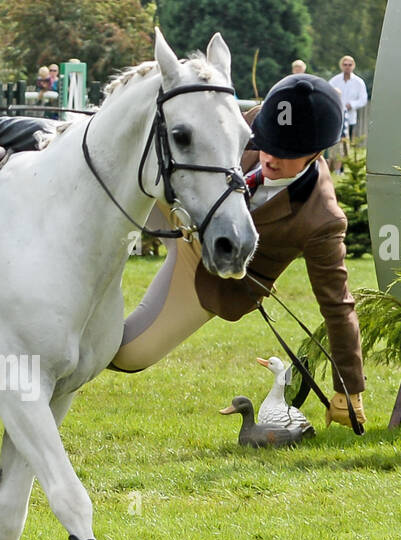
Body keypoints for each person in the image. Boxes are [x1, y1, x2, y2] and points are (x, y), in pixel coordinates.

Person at [113, 73, 367, 428]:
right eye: (266, 143)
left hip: (210, 274)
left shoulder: (322, 219)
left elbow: (338, 306)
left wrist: (348, 389)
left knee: (127, 354)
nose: (270, 157)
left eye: (287, 153)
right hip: (182, 206)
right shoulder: (251, 122)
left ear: (316, 153)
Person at [327, 55, 368, 142]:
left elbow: (363, 99)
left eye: (350, 65)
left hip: (351, 117)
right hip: (336, 116)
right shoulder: (334, 80)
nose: (347, 67)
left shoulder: (359, 82)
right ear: (341, 66)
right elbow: (327, 94)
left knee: (348, 141)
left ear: (353, 66)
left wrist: (352, 104)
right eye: (345, 65)